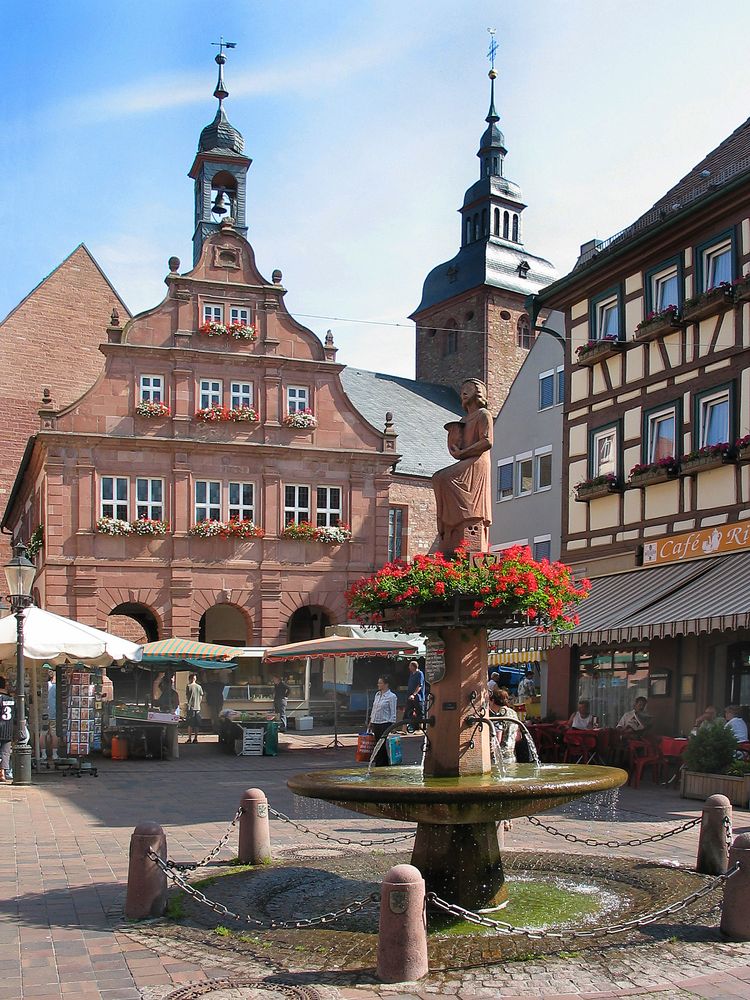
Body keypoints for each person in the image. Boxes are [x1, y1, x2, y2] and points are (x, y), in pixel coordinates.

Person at [432, 378, 493, 554]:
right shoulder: (463, 419)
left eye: (468, 388)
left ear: (478, 392)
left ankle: (468, 520)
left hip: (478, 461)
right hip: (466, 459)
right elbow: (458, 449)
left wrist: (462, 453)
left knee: (444, 477)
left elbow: (488, 441)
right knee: (438, 478)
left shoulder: (483, 414)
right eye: (462, 389)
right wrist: (454, 447)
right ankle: (448, 525)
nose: (464, 392)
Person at [368, 674, 398, 767]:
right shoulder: (377, 694)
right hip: (376, 722)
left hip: (385, 723)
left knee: (381, 744)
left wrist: (392, 725)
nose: (378, 684)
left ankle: (380, 763)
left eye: (380, 683)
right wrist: (371, 721)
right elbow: (374, 709)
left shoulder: (391, 696)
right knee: (377, 743)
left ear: (386, 684)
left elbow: (393, 711)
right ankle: (383, 762)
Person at [490, 687, 520, 764]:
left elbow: (497, 739)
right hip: (511, 755)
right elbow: (518, 737)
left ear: (492, 700)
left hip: (500, 757)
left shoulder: (499, 714)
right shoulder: (513, 713)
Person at [0, 675, 14, 782]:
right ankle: (3, 772)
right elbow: (16, 714)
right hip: (8, 728)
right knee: (5, 752)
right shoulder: (11, 700)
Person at [403, 660, 425, 726]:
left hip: (417, 696)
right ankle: (404, 729)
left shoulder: (419, 673)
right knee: (407, 711)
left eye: (410, 666)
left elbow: (419, 685)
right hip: (409, 696)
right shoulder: (411, 674)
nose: (409, 667)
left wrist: (414, 694)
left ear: (413, 666)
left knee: (419, 712)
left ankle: (420, 729)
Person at [185, 672, 204, 744]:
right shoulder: (199, 687)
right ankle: (196, 738)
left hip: (191, 707)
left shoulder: (188, 686)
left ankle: (189, 738)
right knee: (197, 724)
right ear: (195, 679)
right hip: (197, 707)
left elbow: (187, 696)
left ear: (190, 679)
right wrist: (198, 703)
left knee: (190, 724)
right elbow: (201, 696)